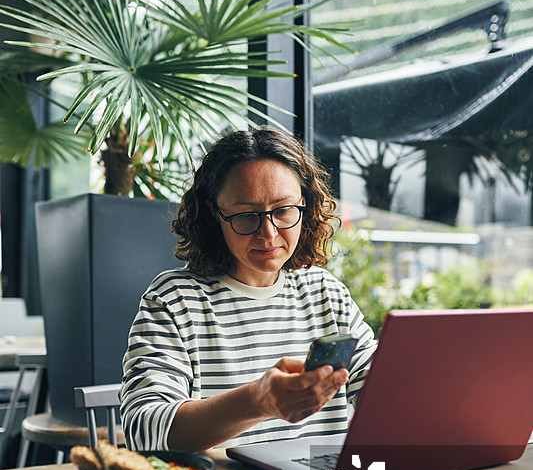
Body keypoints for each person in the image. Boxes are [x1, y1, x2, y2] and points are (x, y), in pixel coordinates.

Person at [121, 127, 377, 452]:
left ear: (306, 206)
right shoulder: (173, 300)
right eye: (246, 215)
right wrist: (256, 401)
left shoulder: (326, 294)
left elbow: (379, 389)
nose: (268, 234)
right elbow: (145, 429)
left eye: (283, 210)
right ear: (215, 214)